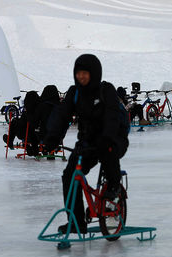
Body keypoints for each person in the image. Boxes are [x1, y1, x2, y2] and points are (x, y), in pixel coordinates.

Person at [43, 54, 129, 235]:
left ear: (94, 73)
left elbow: (113, 117)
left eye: (85, 73)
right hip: (88, 142)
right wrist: (52, 137)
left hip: (113, 137)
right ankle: (76, 222)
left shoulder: (106, 90)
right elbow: (62, 116)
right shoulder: (75, 93)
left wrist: (107, 137)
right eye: (78, 73)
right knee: (70, 176)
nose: (80, 77)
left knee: (108, 150)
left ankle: (113, 186)